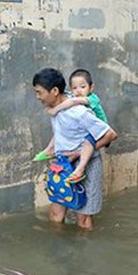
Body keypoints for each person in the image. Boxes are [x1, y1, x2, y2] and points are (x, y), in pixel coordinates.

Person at [33, 68, 117, 230]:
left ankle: (85, 252)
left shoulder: (79, 112)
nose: (38, 97)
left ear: (55, 91)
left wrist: (78, 153)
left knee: (83, 221)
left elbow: (111, 134)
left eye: (40, 93)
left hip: (87, 165)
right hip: (64, 165)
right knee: (55, 215)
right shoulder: (59, 105)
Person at [46, 69, 107, 182]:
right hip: (87, 129)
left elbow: (72, 102)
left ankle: (80, 168)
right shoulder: (74, 97)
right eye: (74, 88)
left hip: (99, 131)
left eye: (82, 87)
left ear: (91, 88)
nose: (78, 91)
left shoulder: (92, 98)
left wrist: (55, 110)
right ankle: (53, 152)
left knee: (87, 143)